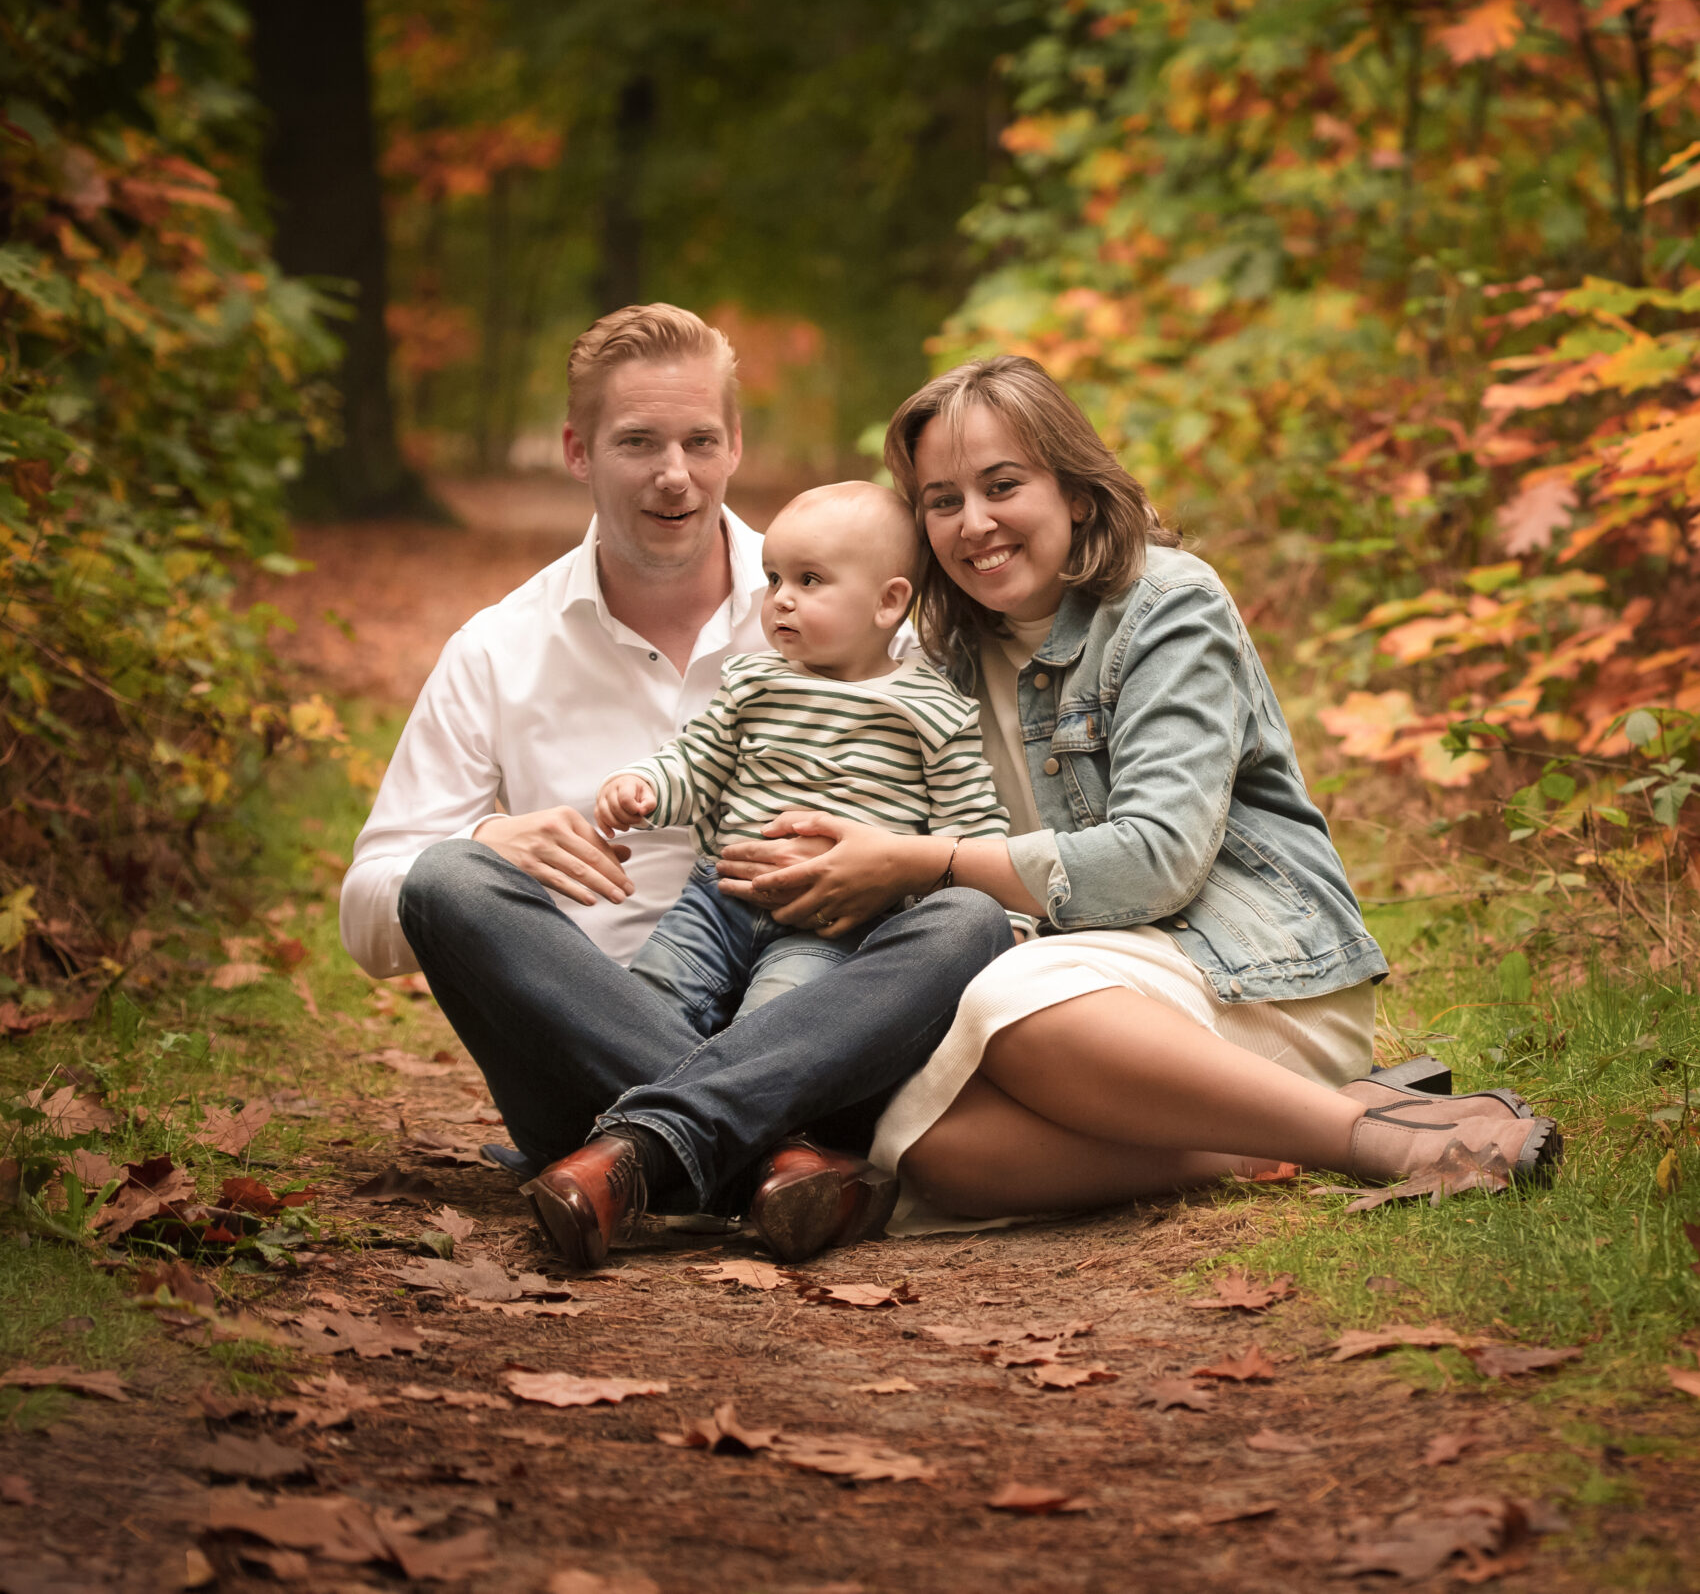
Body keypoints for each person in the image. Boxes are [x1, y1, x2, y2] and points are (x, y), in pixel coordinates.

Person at [713, 355, 1561, 1225]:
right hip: (1077, 1007)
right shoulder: (944, 653)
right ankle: (1269, 1144)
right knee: (921, 1145)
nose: (975, 524)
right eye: (943, 501)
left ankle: (1376, 1144)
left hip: (1242, 974)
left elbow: (1158, 863)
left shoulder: (1167, 605)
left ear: (1075, 493)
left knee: (1007, 999)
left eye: (1003, 485)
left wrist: (923, 863)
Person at [340, 305, 1013, 1269]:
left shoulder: (858, 613)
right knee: (444, 877)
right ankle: (774, 1161)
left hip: (815, 1027)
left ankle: (644, 1154)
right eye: (638, 443)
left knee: (968, 923)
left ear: (734, 445)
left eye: (701, 440)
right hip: (584, 1058)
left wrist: (901, 872)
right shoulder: (497, 651)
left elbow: (960, 825)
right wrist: (489, 845)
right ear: (578, 451)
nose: (675, 474)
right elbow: (368, 916)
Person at [596, 479, 1033, 1039]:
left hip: (834, 923)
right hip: (719, 899)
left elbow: (968, 828)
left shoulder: (931, 710)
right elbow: (697, 760)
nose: (780, 597)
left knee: (776, 1025)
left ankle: (740, 1113)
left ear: (888, 601)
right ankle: (633, 1110)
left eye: (810, 580)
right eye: (774, 577)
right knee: (647, 1003)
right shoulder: (752, 681)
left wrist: (1010, 923)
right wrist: (646, 786)